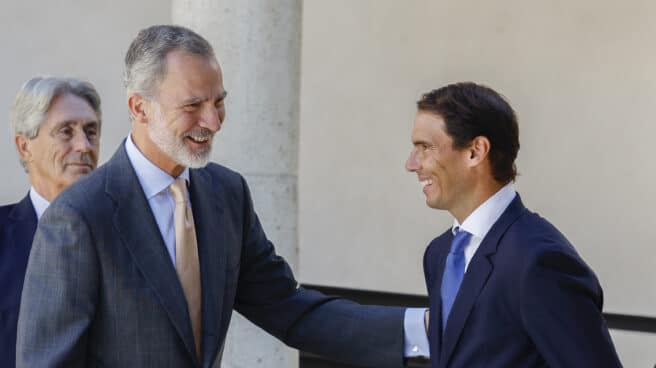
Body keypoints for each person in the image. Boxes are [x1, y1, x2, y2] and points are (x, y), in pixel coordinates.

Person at [17, 25, 429, 368]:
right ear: (139, 108)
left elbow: (288, 307)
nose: (212, 121)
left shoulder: (226, 195)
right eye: (193, 105)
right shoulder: (79, 216)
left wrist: (423, 329)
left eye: (219, 102)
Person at [406, 82, 622, 367]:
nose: (411, 163)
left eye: (425, 147)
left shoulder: (540, 261)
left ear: (476, 151)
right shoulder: (438, 254)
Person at [0, 77, 101, 368]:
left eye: (90, 132)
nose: (83, 145)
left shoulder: (127, 235)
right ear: (24, 147)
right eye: (65, 132)